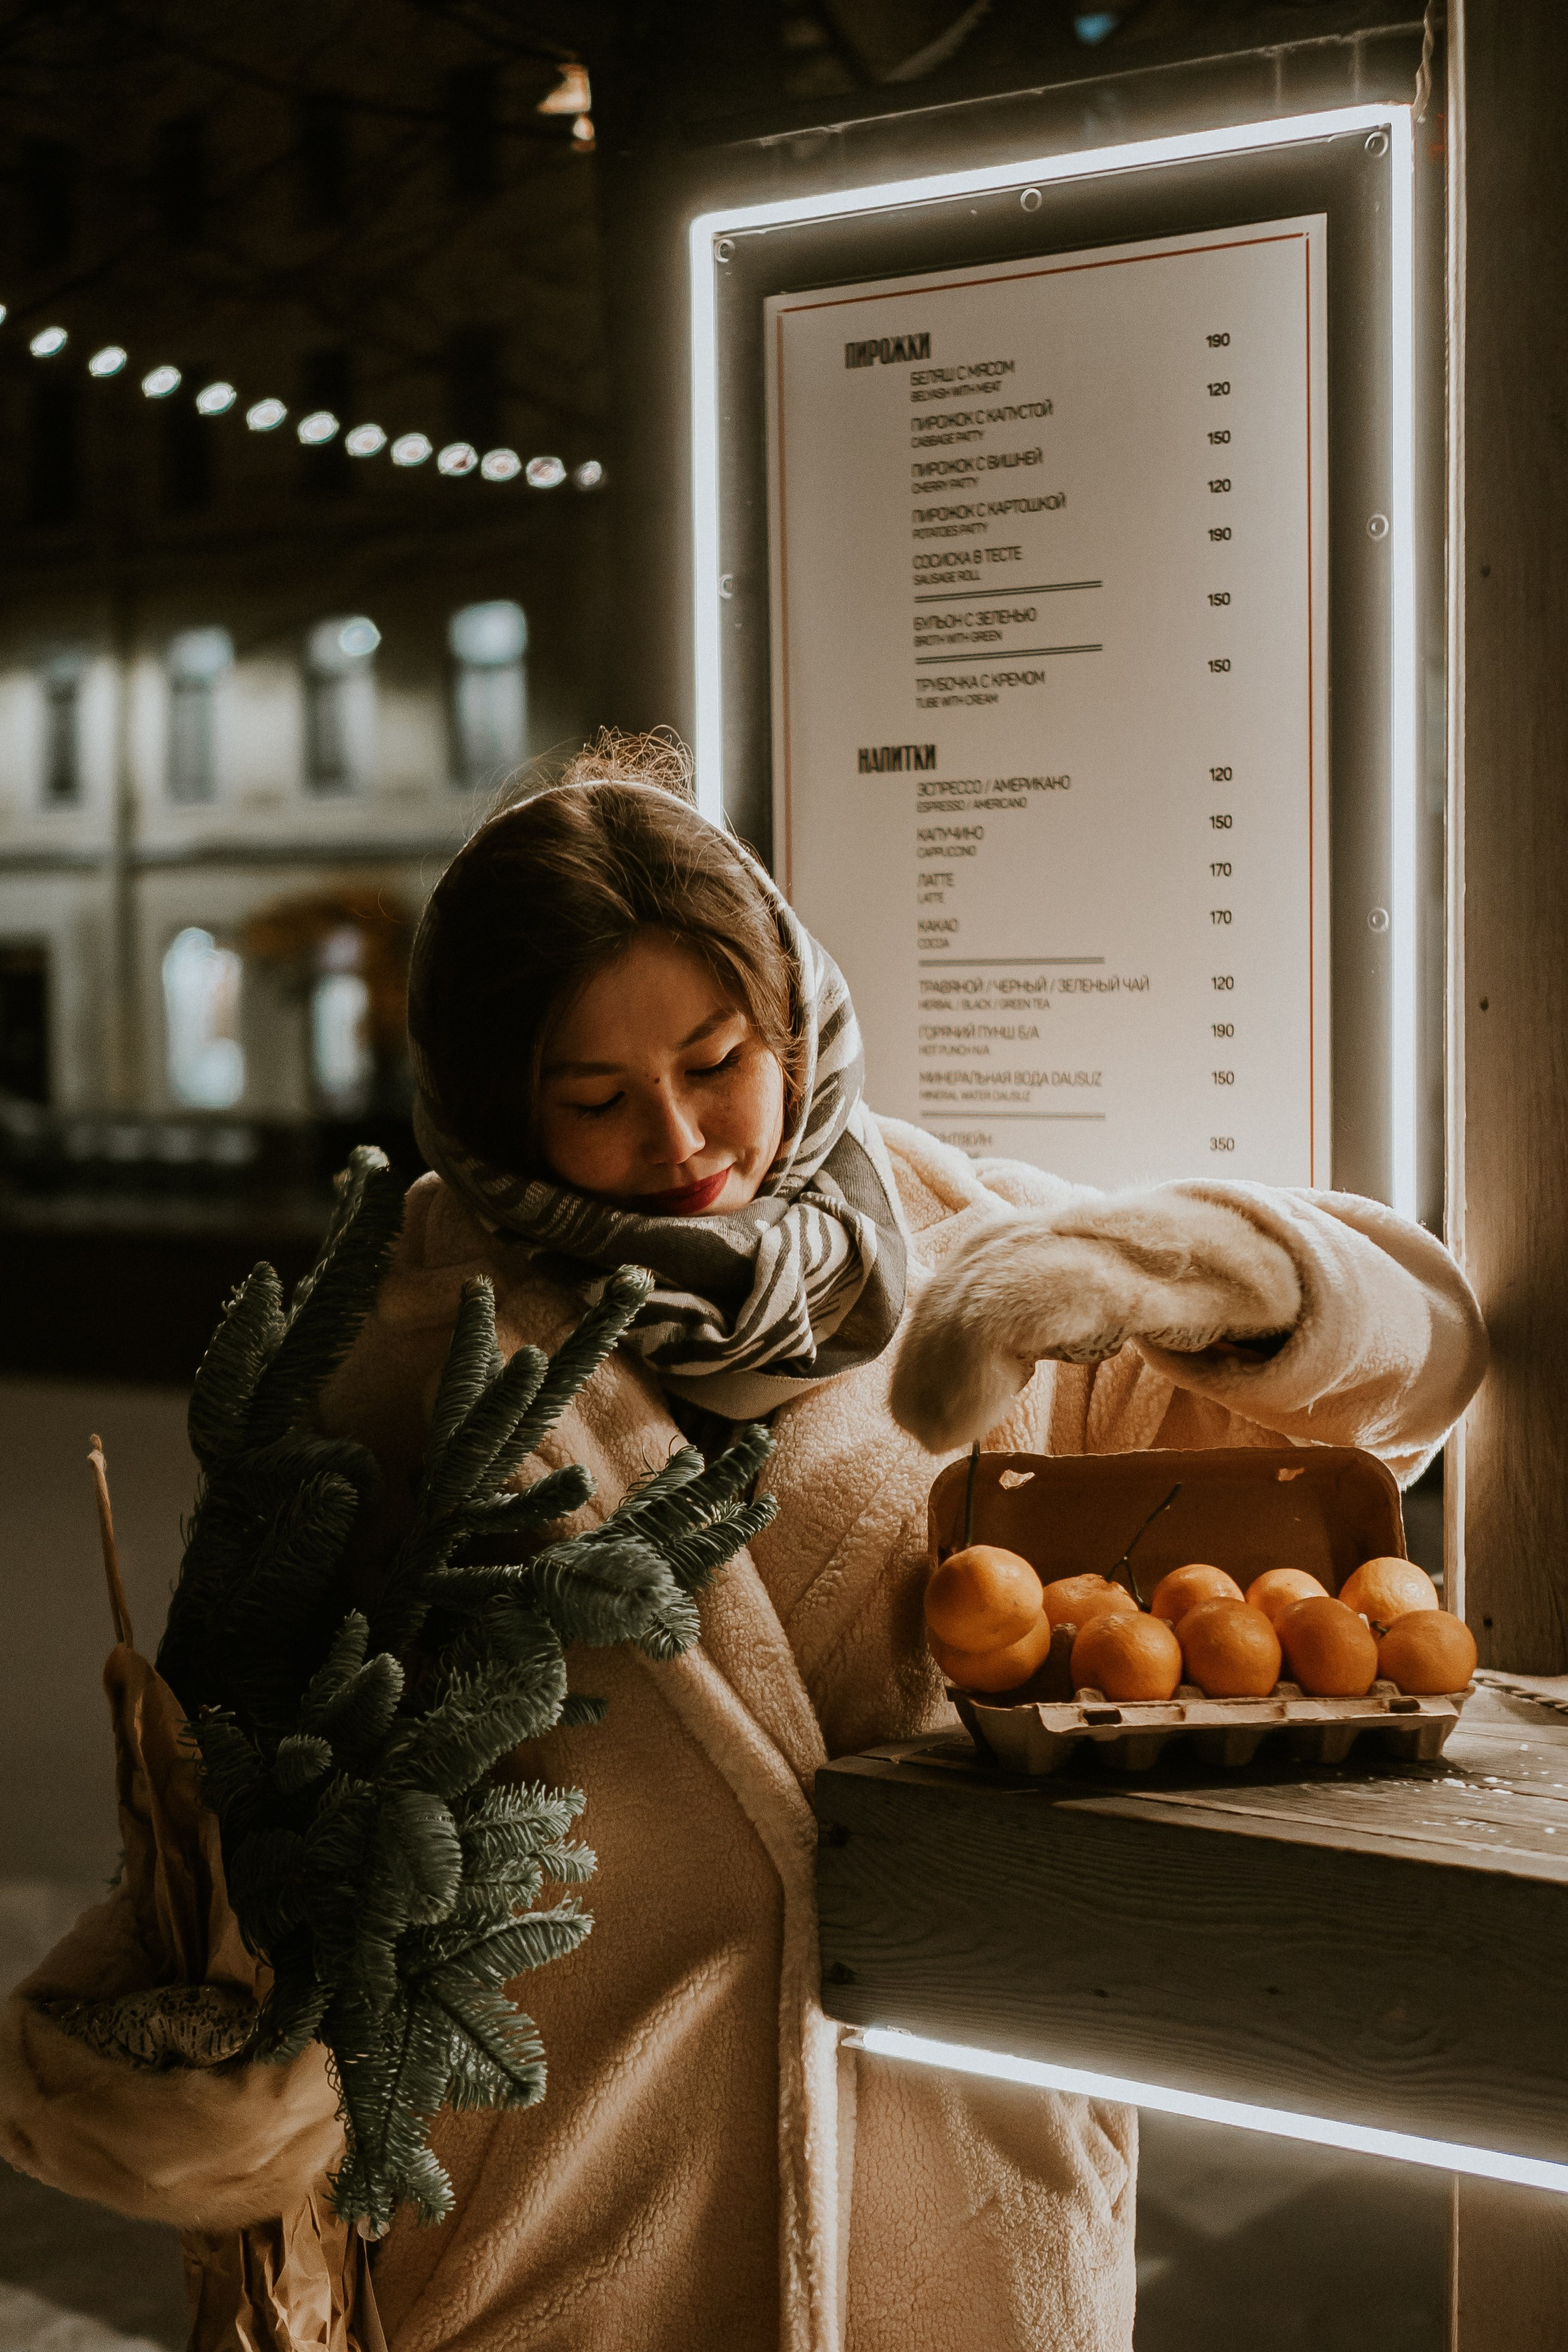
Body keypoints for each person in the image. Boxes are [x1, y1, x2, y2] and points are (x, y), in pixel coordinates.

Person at [2, 731, 1488, 2352]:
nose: (682, 1139)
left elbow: (1409, 1378)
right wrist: (185, 2062)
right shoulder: (404, 1367)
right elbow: (241, 1778)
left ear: (789, 1020)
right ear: (496, 1109)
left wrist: (1160, 1267)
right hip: (557, 2236)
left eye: (718, 1060)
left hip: (960, 2224)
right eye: (596, 1099)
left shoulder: (968, 1261)